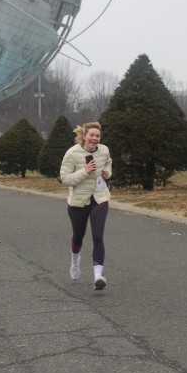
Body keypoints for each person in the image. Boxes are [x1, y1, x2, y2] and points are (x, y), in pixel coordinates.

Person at [59, 122, 113, 290]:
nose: (95, 138)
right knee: (78, 236)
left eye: (98, 136)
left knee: (98, 236)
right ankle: (75, 260)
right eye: (91, 135)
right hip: (79, 201)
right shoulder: (72, 153)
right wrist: (85, 171)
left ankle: (98, 276)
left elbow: (108, 163)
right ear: (84, 136)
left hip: (99, 198)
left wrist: (107, 173)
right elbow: (65, 179)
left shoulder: (104, 150)